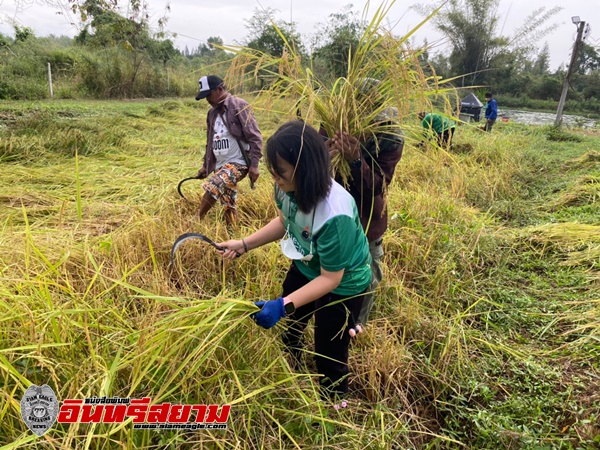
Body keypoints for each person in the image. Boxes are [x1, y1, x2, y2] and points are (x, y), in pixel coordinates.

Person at [218, 120, 372, 398]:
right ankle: (292, 359)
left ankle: (334, 400)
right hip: (307, 262)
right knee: (293, 321)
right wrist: (244, 244)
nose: (275, 178)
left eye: (282, 172)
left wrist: (281, 305)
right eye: (273, 171)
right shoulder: (284, 187)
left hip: (343, 283)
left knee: (329, 347)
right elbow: (284, 222)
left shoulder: (334, 213)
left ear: (306, 169)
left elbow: (330, 278)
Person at [326, 107, 404, 332]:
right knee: (327, 267)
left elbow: (378, 186)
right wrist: (325, 152)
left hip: (367, 218)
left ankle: (356, 324)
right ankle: (326, 315)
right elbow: (310, 160)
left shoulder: (390, 138)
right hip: (331, 213)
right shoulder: (334, 121)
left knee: (366, 273)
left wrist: (356, 161)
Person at [195, 75, 262, 226]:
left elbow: (255, 137)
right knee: (228, 205)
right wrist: (206, 166)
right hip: (221, 165)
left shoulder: (239, 106)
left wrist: (255, 165)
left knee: (215, 184)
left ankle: (196, 219)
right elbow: (210, 141)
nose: (207, 100)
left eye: (208, 95)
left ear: (219, 89)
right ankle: (232, 236)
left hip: (238, 163)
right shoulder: (211, 114)